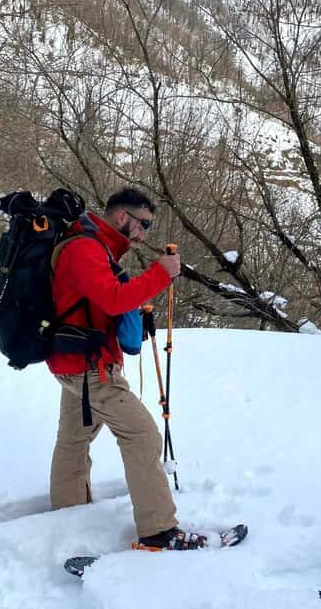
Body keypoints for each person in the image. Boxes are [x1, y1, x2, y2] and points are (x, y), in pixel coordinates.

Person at [47, 188, 203, 551]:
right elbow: (113, 299)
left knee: (73, 440)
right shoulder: (85, 248)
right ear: (122, 218)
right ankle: (158, 531)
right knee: (143, 435)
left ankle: (65, 520)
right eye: (143, 224)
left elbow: (103, 302)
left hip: (75, 362)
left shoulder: (92, 245)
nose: (145, 233)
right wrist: (160, 275)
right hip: (89, 368)